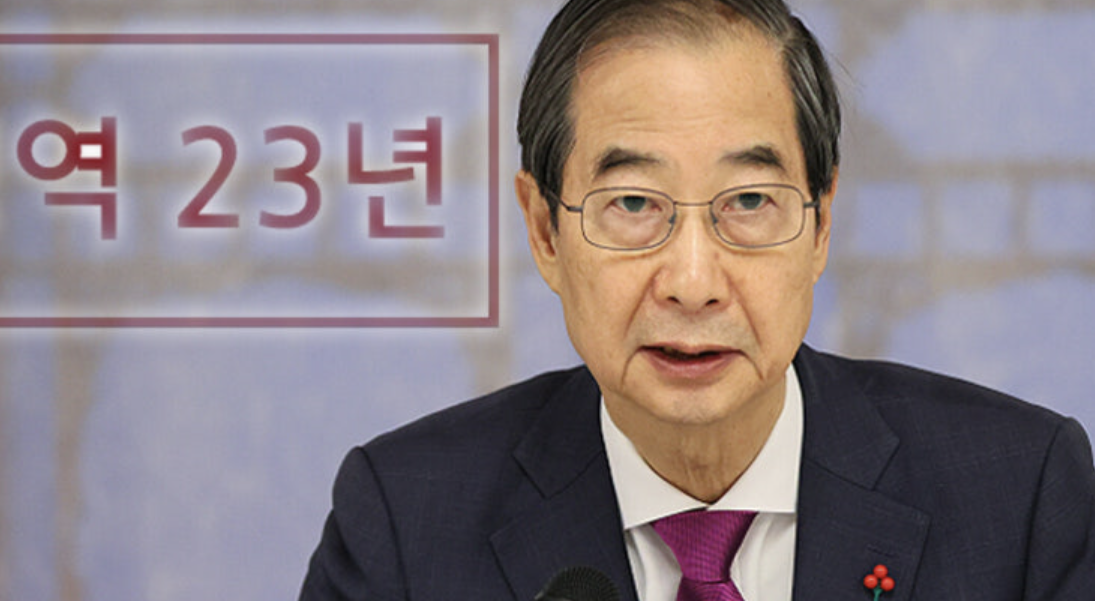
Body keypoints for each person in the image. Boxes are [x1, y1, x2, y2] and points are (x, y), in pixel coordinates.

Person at [298, 0, 1095, 599]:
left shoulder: (1019, 496)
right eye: (632, 203)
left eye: (747, 202)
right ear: (544, 230)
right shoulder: (405, 524)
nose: (691, 281)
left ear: (820, 224)